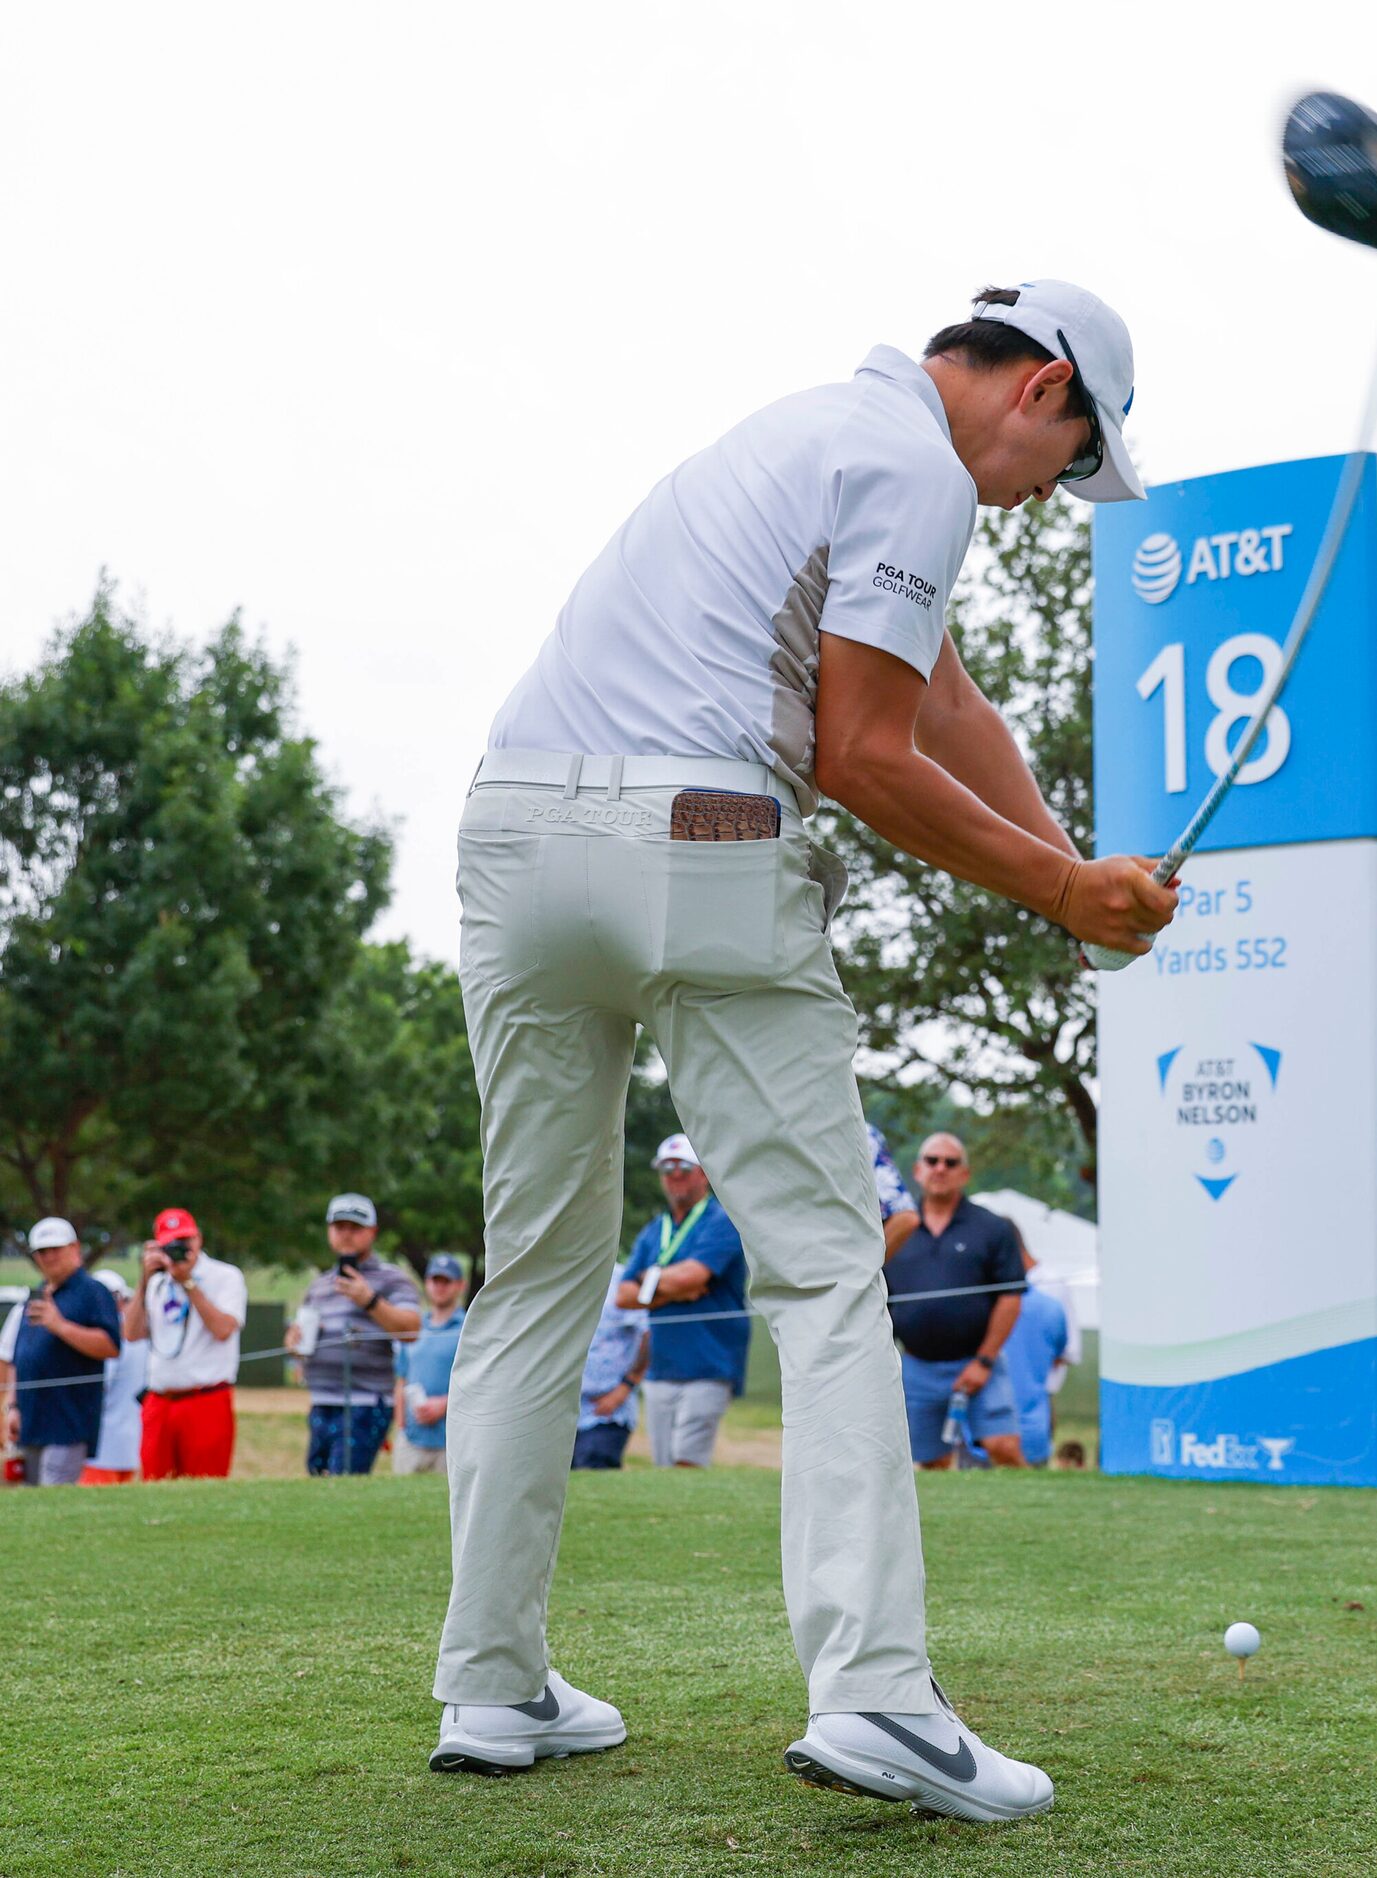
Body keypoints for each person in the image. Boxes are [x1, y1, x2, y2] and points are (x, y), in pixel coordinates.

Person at [435, 285, 1166, 1810]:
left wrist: (1072, 877)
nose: (1041, 498)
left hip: (514, 836)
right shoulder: (914, 469)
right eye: (1070, 459)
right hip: (700, 834)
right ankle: (878, 1698)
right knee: (833, 1270)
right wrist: (1058, 887)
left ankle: (492, 1686)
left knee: (539, 1272)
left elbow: (942, 698)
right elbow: (861, 752)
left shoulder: (805, 433)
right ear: (1039, 389)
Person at [884, 1133, 1029, 1471]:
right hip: (916, 1365)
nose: (940, 1169)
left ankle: (1032, 1516)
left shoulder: (992, 1228)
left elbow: (1011, 1298)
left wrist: (984, 1361)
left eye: (950, 1162)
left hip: (978, 1362)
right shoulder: (894, 1229)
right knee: (930, 1462)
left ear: (965, 1174)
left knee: (1003, 1446)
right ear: (918, 1170)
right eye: (932, 1161)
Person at [613, 1136, 749, 1469]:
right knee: (663, 1465)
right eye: (667, 1169)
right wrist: (670, 1289)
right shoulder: (653, 1230)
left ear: (704, 1173)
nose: (675, 1176)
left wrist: (648, 1281)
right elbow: (623, 1296)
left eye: (684, 1168)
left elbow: (693, 1277)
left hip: (710, 1362)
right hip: (661, 1366)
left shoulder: (722, 1220)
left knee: (688, 1460)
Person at [291, 1195, 424, 1478]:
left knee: (344, 1481)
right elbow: (300, 1342)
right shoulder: (320, 1285)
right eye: (340, 1227)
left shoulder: (392, 1279)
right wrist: (294, 1342)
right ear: (329, 1231)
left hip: (366, 1401)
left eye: (355, 1227)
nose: (346, 1234)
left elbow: (412, 1328)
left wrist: (370, 1301)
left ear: (372, 1232)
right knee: (317, 1476)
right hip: (322, 1400)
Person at [122, 1207, 248, 1480]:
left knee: (205, 1485)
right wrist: (144, 1280)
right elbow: (131, 1333)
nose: (180, 1249)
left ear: (198, 1239)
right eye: (171, 1244)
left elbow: (223, 1329)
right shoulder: (157, 1282)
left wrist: (189, 1283)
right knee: (154, 1483)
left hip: (205, 1397)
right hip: (160, 1399)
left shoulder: (225, 1276)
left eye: (185, 1241)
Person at [5, 1219, 124, 1485]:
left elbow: (111, 1346)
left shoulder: (92, 1292)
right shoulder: (38, 1295)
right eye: (41, 1252)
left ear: (74, 1248)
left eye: (55, 1249)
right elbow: (20, 1357)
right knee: (30, 1500)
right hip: (32, 1420)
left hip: (67, 1423)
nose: (48, 1257)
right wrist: (14, 1406)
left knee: (53, 1497)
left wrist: (59, 1325)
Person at [996, 1251, 1078, 1469]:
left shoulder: (1051, 1290)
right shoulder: (1048, 1303)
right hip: (1029, 1414)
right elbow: (1066, 1351)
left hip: (1033, 1411)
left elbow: (1066, 1351)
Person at [394, 1255, 472, 1477]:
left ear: (460, 1285)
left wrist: (445, 1404)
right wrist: (400, 1427)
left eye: (446, 1281)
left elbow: (481, 1383)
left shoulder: (469, 1328)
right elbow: (401, 1379)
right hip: (411, 1439)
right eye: (435, 1280)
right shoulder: (414, 1328)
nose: (439, 1287)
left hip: (452, 1441)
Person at [571, 1266, 650, 1471]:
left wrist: (625, 1387)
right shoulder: (553, 1277)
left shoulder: (622, 1280)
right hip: (558, 1412)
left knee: (592, 1475)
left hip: (604, 1413)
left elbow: (650, 1334)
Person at [81, 1264, 148, 1483]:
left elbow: (99, 1388)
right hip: (130, 1445)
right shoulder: (140, 1334)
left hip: (101, 1449)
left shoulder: (108, 1336)